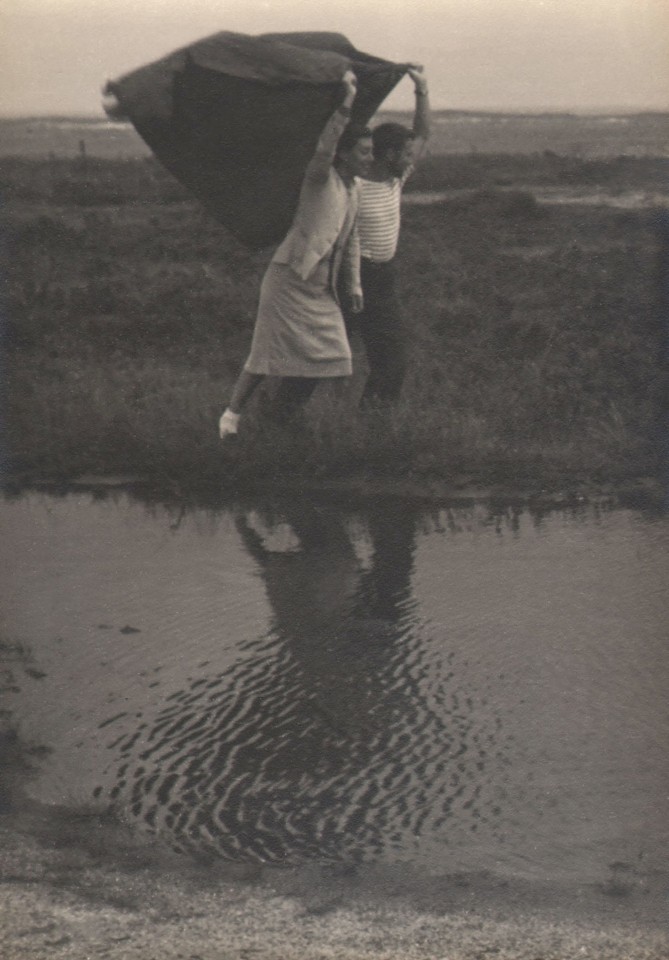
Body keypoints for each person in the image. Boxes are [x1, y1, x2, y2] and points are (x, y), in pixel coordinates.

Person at [218, 70, 373, 440]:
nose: (370, 159)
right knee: (264, 356)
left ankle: (283, 419)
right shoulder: (320, 178)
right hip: (289, 278)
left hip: (321, 287)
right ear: (344, 155)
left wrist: (354, 286)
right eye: (364, 152)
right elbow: (323, 147)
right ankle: (231, 417)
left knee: (335, 357)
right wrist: (346, 103)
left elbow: (350, 240)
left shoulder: (354, 190)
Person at [348, 66, 431, 405]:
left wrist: (421, 90)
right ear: (390, 155)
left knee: (393, 364)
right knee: (321, 361)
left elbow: (422, 133)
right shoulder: (351, 185)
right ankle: (281, 418)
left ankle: (372, 431)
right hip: (347, 279)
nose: (413, 159)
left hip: (382, 280)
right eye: (406, 154)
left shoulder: (397, 179)